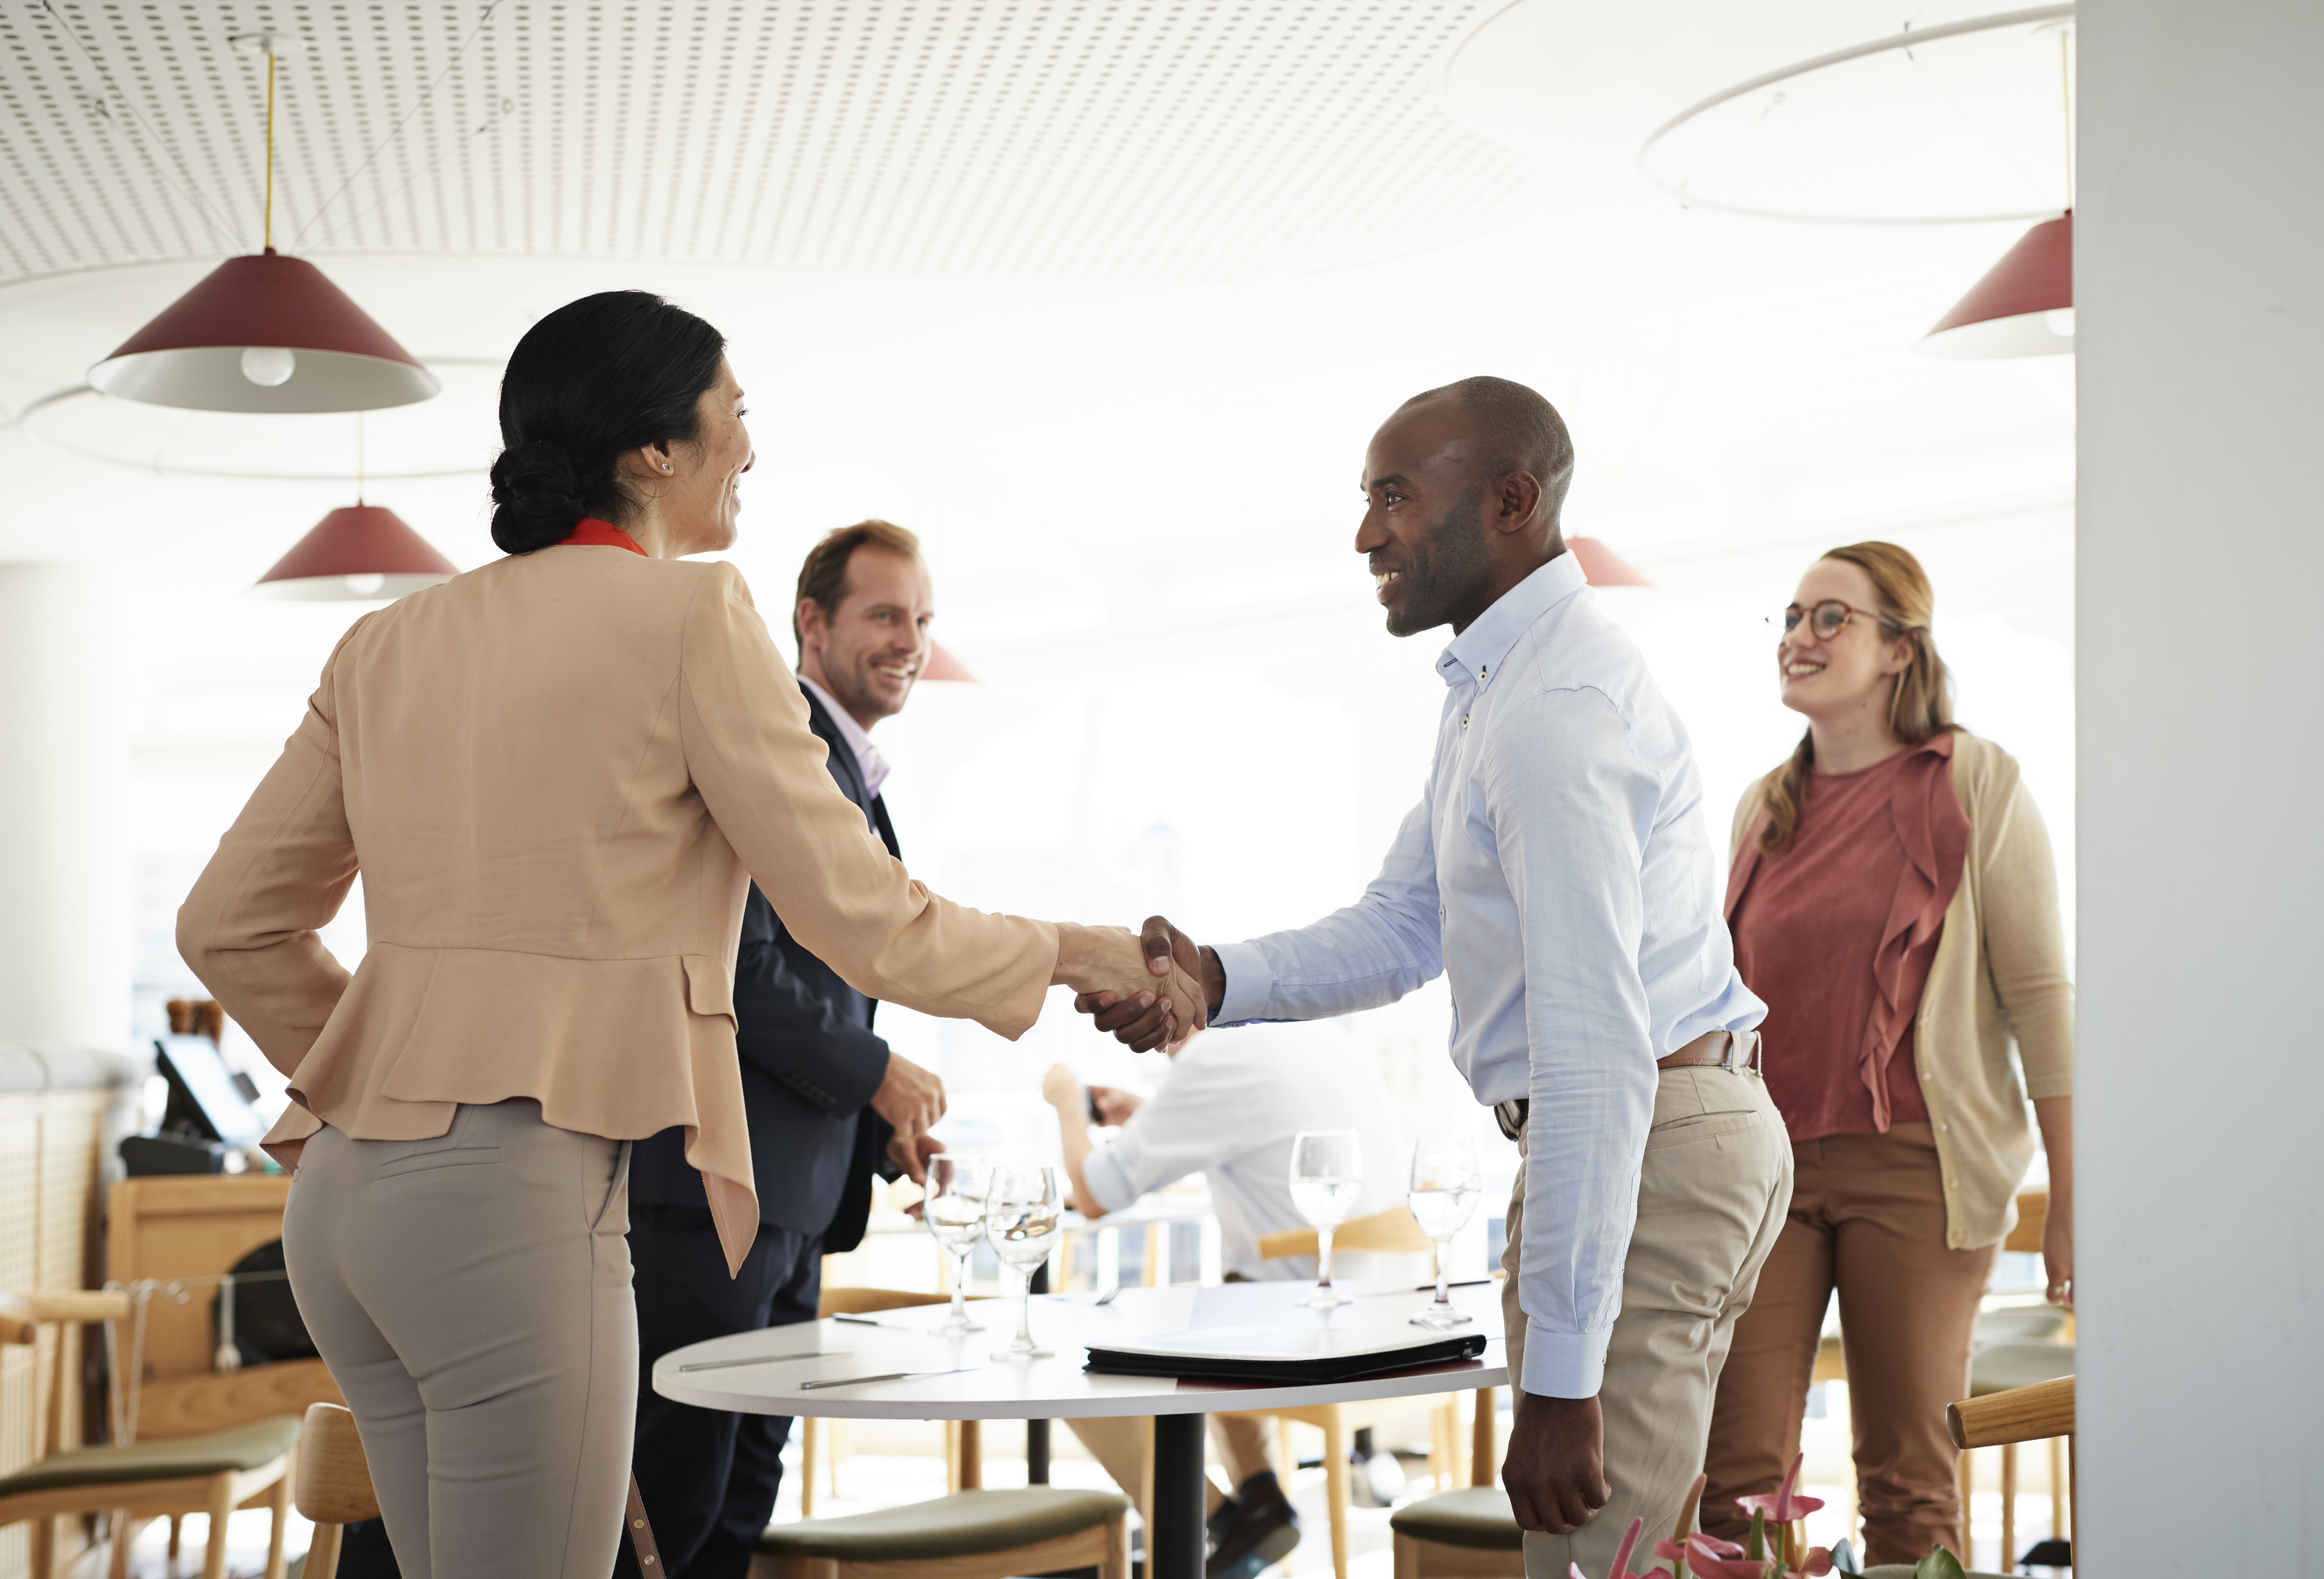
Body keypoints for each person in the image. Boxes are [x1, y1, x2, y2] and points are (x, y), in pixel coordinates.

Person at [178, 289, 1202, 1579]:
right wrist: (1084, 949)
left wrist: (398, 1076)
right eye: (735, 413)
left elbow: (225, 926)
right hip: (511, 1203)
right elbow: (863, 919)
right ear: (652, 449)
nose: (752, 449)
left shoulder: (389, 640)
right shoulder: (689, 616)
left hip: (339, 1208)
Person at [1078, 376, 1792, 1576]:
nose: (1367, 534)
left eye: (1394, 499)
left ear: (1512, 502)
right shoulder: (1501, 691)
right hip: (1677, 1128)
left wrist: (1562, 1383)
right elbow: (1404, 923)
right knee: (1640, 1556)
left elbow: (1591, 1047)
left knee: (1588, 1564)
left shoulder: (1551, 711)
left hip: (1653, 1130)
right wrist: (1207, 973)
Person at [1700, 543, 2073, 1565]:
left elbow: (2038, 993)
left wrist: (2074, 1193)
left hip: (1917, 1166)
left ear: (1900, 650)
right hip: (1764, 1173)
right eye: (1789, 615)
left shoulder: (1973, 781)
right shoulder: (1759, 805)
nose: (1798, 636)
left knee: (1905, 1477)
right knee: (1732, 1480)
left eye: (1831, 618)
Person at [620, 520, 951, 1579]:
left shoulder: (848, 771)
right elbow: (735, 966)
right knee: (674, 1505)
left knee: (735, 1509)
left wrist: (876, 1118)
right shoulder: (773, 746)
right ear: (811, 622)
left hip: (793, 1205)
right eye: (885, 614)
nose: (911, 640)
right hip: (716, 1199)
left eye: (922, 620)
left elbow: (824, 976)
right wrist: (875, 1073)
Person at [1037, 1023, 1410, 1577]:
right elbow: (1251, 1125)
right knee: (1216, 1299)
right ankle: (1258, 1499)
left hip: (1302, 1323)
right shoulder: (1318, 1038)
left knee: (1070, 1354)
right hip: (1392, 1309)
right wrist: (1152, 1114)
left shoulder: (1210, 1063)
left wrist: (1065, 1096)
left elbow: (1095, 1192)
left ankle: (1212, 1517)